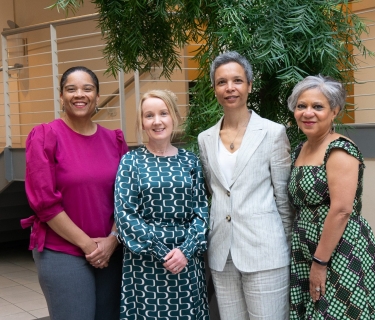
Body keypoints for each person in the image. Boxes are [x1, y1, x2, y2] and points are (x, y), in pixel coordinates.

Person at [21, 66, 128, 320]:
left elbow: (126, 197)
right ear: (61, 97)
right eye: (71, 89)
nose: (79, 94)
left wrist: (112, 239)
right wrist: (90, 246)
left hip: (109, 250)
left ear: (97, 97)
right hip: (62, 251)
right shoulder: (45, 136)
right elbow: (45, 204)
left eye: (87, 88)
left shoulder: (114, 140)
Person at [198, 51, 294, 320]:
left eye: (237, 81)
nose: (230, 88)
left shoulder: (273, 133)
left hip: (265, 251)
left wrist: (282, 247)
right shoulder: (205, 138)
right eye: (222, 82)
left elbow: (284, 199)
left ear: (249, 85)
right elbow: (213, 192)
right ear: (214, 89)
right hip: (221, 253)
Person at [287, 75, 375, 319]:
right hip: (307, 249)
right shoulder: (299, 150)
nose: (308, 113)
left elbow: (341, 210)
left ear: (334, 111)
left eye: (318, 106)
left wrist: (320, 262)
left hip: (338, 250)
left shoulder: (340, 149)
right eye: (301, 106)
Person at [114, 89, 210, 320]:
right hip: (145, 263)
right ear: (142, 123)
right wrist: (161, 251)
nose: (157, 121)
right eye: (149, 115)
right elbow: (125, 214)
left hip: (186, 261)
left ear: (174, 117)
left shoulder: (190, 160)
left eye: (163, 113)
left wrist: (184, 252)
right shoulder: (130, 161)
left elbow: (202, 211)